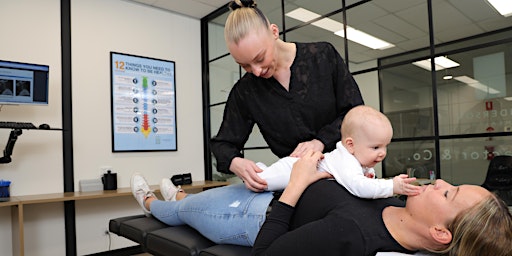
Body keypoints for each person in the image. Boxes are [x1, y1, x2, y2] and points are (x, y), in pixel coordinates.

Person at [130, 153, 512, 256]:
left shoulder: (352, 237)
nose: (439, 183)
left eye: (448, 194)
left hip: (249, 216)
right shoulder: (398, 202)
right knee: (192, 199)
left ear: (440, 233)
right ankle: (178, 193)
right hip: (266, 192)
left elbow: (266, 253)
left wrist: (296, 186)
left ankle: (151, 202)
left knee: (182, 213)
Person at [210, 0, 364, 192]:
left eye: (260, 58)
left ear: (274, 32)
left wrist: (320, 142)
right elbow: (222, 144)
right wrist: (235, 162)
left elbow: (356, 113)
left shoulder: (323, 56)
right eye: (245, 65)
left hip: (345, 172)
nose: (256, 71)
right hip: (298, 184)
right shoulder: (245, 91)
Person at [258, 105, 422, 199]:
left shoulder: (359, 159)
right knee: (263, 182)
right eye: (376, 147)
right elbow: (360, 187)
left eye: (386, 146)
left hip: (307, 175)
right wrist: (391, 186)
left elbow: (362, 178)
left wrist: (369, 174)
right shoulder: (345, 160)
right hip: (292, 169)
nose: (383, 153)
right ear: (350, 145)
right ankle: (260, 170)